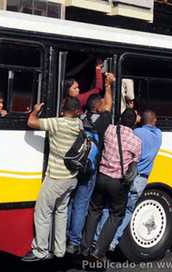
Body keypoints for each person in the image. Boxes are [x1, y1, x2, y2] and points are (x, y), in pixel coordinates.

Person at [22, 97, 81, 262]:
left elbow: (31, 122)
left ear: (63, 108)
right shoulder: (79, 124)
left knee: (43, 211)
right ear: (77, 111)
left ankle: (41, 250)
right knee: (61, 212)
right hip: (71, 178)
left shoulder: (57, 123)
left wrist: (35, 109)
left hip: (56, 177)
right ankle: (60, 250)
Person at [96, 110, 162, 251]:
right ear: (154, 120)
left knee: (110, 208)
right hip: (141, 180)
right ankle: (112, 242)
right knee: (127, 211)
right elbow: (152, 124)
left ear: (140, 120)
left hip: (126, 177)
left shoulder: (136, 133)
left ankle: (98, 239)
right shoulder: (158, 135)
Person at [81, 109, 141, 261]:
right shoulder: (136, 142)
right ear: (134, 123)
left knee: (94, 211)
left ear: (120, 119)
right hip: (118, 183)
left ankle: (85, 247)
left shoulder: (109, 130)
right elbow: (134, 165)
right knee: (116, 216)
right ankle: (98, 252)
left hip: (101, 178)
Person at [66, 73, 115, 255]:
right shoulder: (102, 122)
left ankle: (65, 234)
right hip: (90, 169)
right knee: (81, 203)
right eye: (102, 103)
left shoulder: (81, 118)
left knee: (70, 202)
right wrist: (109, 85)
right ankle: (74, 241)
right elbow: (109, 105)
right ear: (98, 107)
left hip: (74, 165)